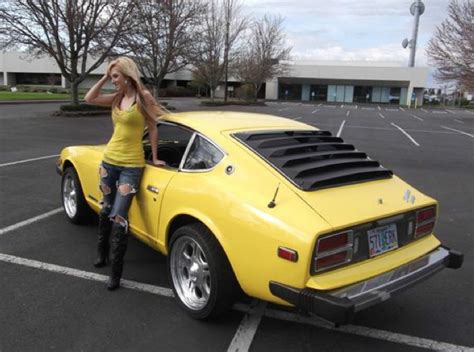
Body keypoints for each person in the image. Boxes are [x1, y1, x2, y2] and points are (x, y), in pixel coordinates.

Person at [84, 57, 167, 290]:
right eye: (111, 78)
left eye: (116, 77)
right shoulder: (116, 98)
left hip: (131, 165)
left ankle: (116, 273)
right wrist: (103, 76)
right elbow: (89, 98)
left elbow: (152, 127)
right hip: (108, 162)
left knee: (120, 216)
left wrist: (155, 156)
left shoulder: (144, 98)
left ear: (128, 76)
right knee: (105, 208)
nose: (113, 82)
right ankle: (102, 253)